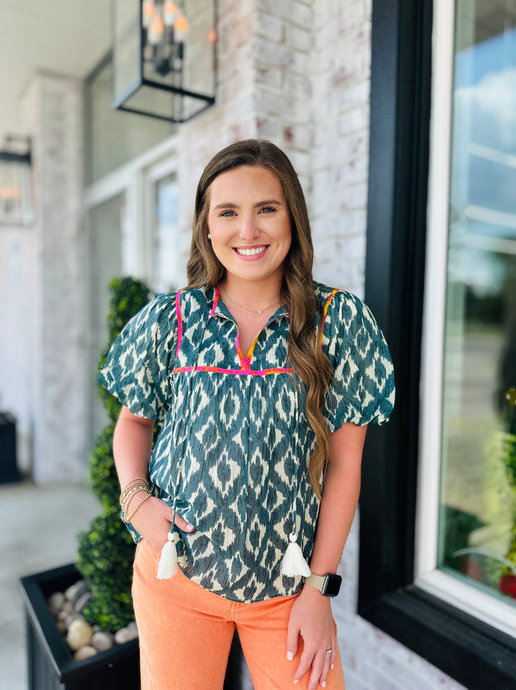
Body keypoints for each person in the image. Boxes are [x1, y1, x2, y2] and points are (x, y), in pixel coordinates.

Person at [99, 139, 395, 690]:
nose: (248, 231)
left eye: (266, 208)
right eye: (228, 212)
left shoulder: (340, 321)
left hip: (288, 590)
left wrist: (318, 591)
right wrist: (135, 499)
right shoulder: (170, 319)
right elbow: (134, 421)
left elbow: (346, 466)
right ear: (206, 227)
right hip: (175, 579)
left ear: (293, 218)